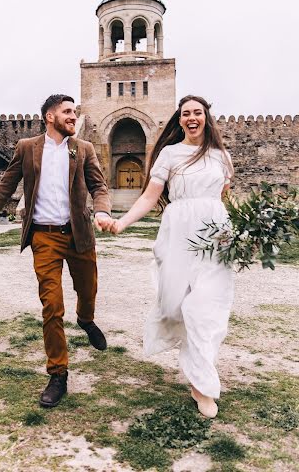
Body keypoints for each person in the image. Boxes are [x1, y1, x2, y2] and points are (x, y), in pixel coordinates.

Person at [0, 94, 111, 408]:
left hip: (78, 235)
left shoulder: (83, 149)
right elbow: (6, 186)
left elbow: (99, 187)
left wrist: (101, 211)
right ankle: (58, 373)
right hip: (44, 237)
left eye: (75, 112)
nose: (73, 116)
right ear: (51, 116)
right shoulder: (27, 148)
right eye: (67, 112)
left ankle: (86, 320)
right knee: (51, 304)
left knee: (88, 289)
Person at [109, 95, 234, 418]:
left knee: (208, 308)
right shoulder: (169, 153)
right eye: (186, 113)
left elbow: (223, 200)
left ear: (207, 117)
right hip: (178, 232)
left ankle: (202, 385)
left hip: (216, 235)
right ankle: (191, 359)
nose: (192, 118)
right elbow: (150, 196)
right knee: (175, 306)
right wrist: (122, 221)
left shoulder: (221, 157)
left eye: (198, 113)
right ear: (179, 120)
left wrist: (242, 234)